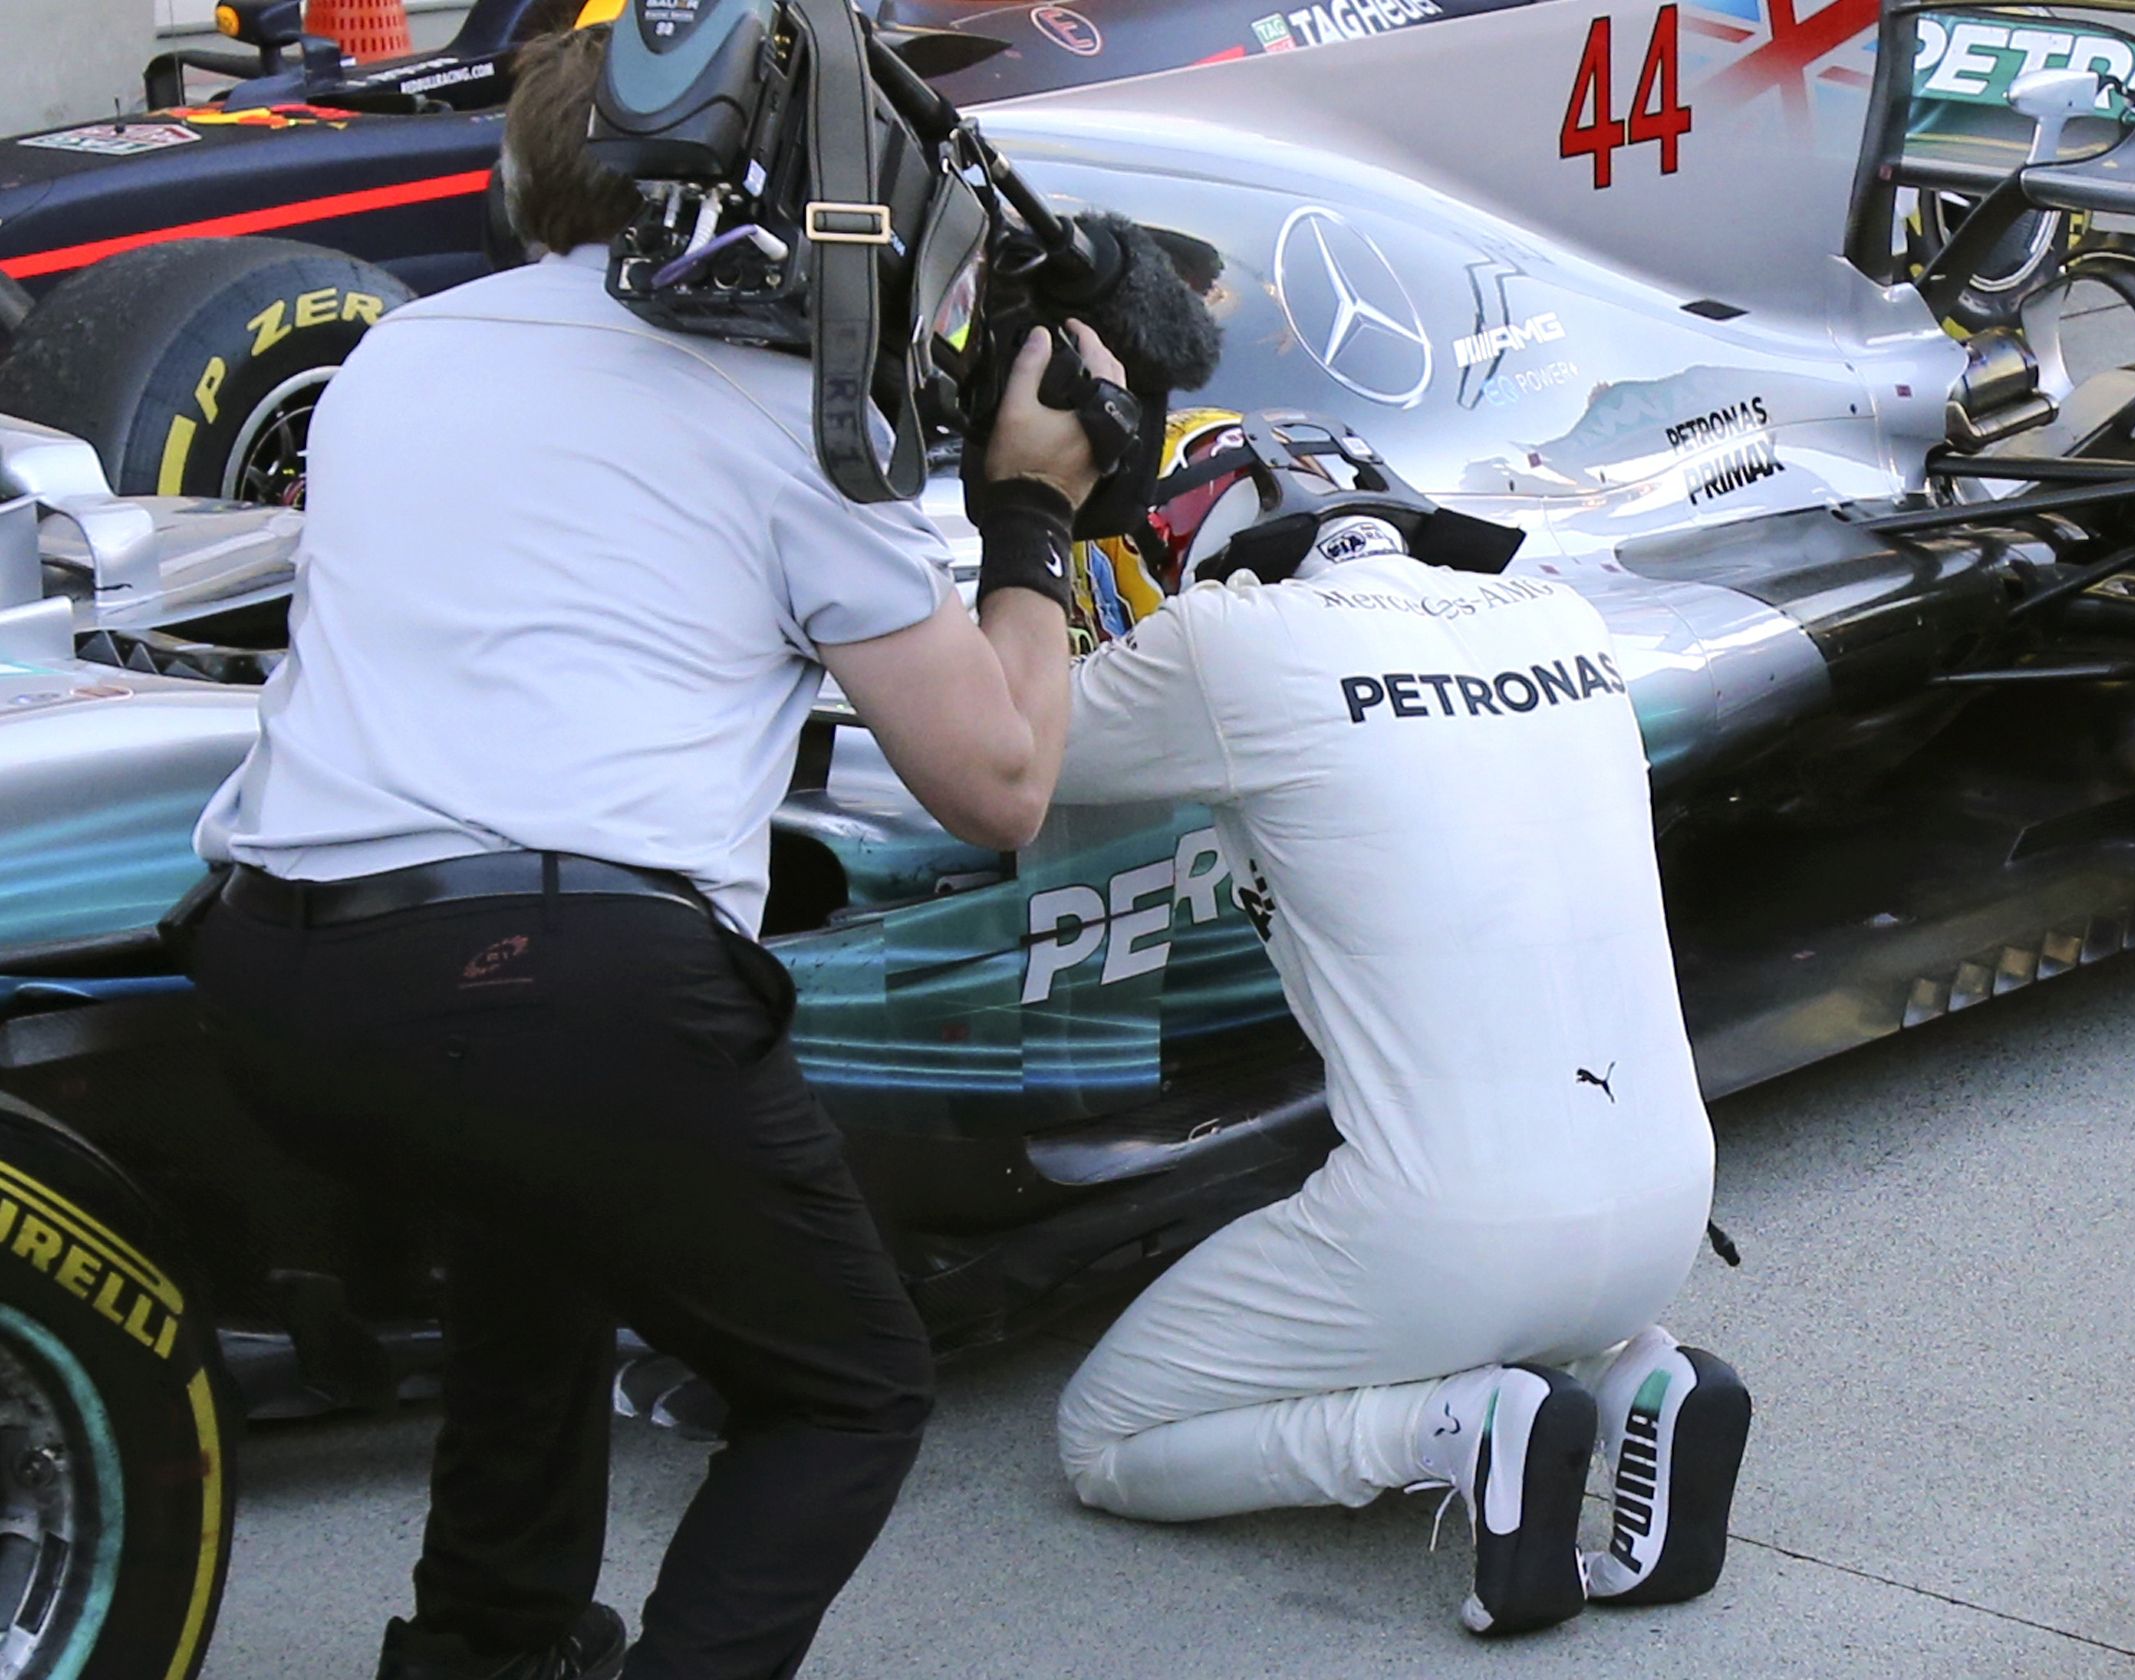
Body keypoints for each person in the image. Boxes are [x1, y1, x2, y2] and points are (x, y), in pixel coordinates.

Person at [183, 24, 1123, 1680]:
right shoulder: (784, 418)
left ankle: (483, 1650)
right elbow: (996, 783)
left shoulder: (400, 355)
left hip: (278, 963)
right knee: (845, 1387)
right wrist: (1031, 513)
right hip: (560, 979)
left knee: (541, 1230)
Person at [1049, 413, 1750, 1635]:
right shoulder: (1557, 613)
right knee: (1490, 1263)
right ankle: (1641, 1376)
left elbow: (995, 755)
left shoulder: (1223, 642)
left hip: (1445, 1229)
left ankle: (1453, 1428)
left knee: (1104, 1438)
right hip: (1664, 1206)